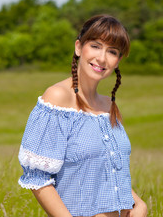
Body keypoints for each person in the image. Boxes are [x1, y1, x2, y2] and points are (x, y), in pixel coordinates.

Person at [18, 15, 147, 217]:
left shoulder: (108, 105)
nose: (102, 57)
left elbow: (109, 171)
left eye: (112, 51)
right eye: (95, 46)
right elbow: (38, 178)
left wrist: (139, 204)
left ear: (118, 60)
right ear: (79, 47)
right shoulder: (57, 98)